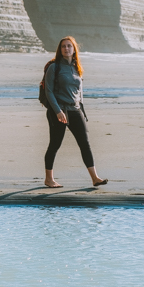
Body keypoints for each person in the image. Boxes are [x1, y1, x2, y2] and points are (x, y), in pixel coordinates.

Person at [44, 36, 107, 189]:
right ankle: (49, 179)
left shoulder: (76, 67)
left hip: (75, 110)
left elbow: (79, 90)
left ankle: (95, 178)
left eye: (69, 46)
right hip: (59, 111)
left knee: (85, 144)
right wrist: (58, 111)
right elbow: (49, 91)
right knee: (55, 144)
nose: (66, 49)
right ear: (60, 50)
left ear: (74, 49)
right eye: (63, 46)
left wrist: (82, 109)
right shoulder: (54, 67)